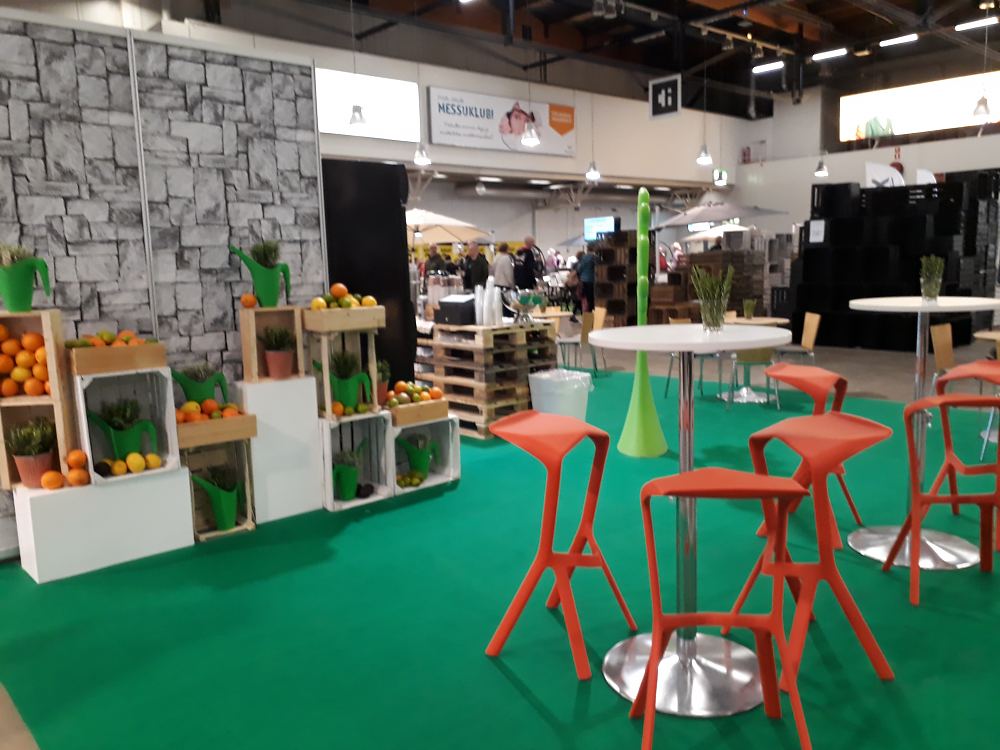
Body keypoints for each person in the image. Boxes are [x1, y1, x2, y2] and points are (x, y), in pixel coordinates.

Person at [576, 246, 596, 313]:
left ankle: (587, 313)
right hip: (591, 280)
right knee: (591, 298)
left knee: (586, 298)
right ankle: (591, 312)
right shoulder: (594, 257)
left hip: (583, 280)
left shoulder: (584, 257)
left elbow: (579, 269)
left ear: (587, 249)